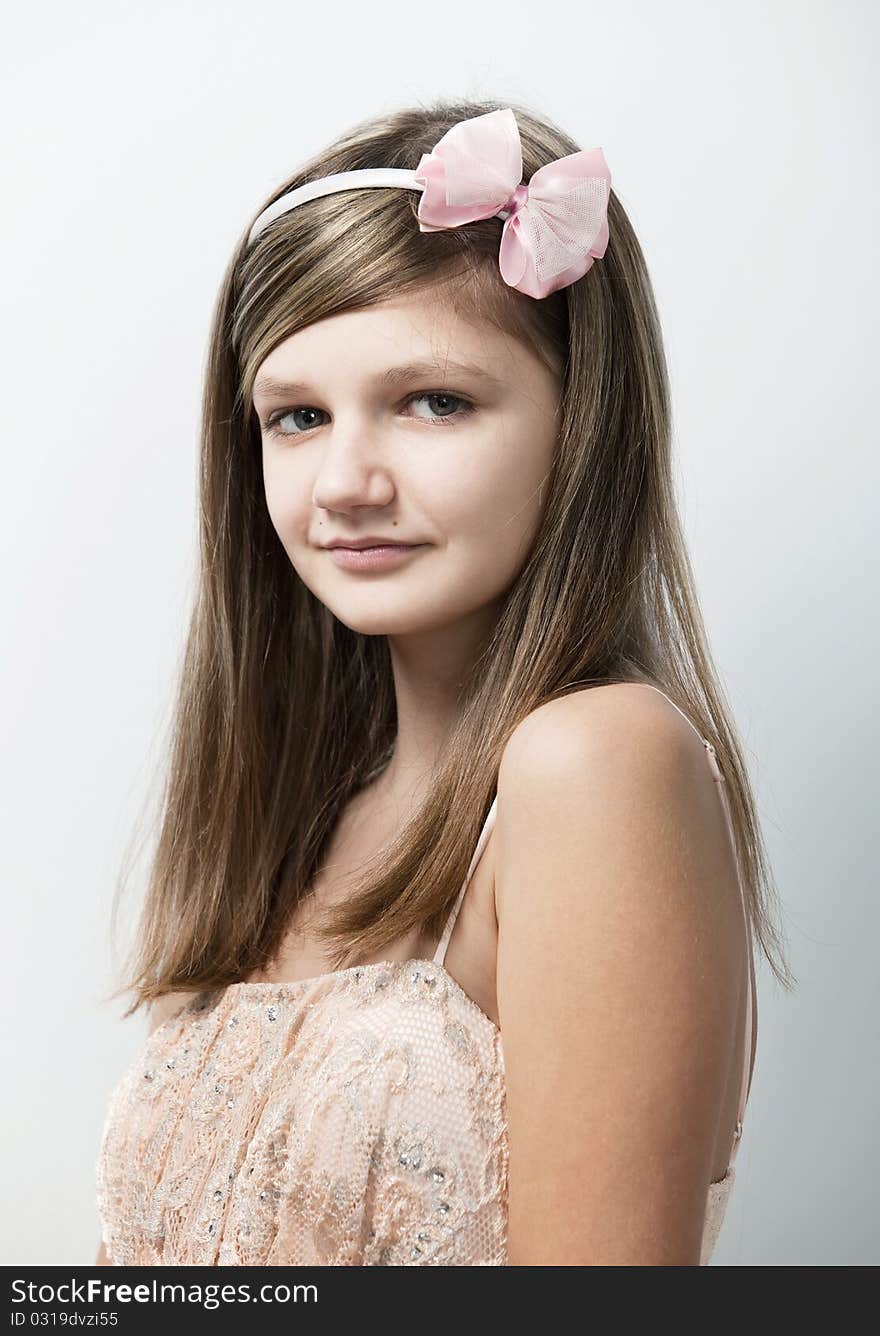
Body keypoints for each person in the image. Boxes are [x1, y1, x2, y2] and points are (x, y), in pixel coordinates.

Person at [93, 98, 794, 1267]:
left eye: (434, 401)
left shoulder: (594, 764)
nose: (345, 482)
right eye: (297, 416)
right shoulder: (291, 820)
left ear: (582, 425)